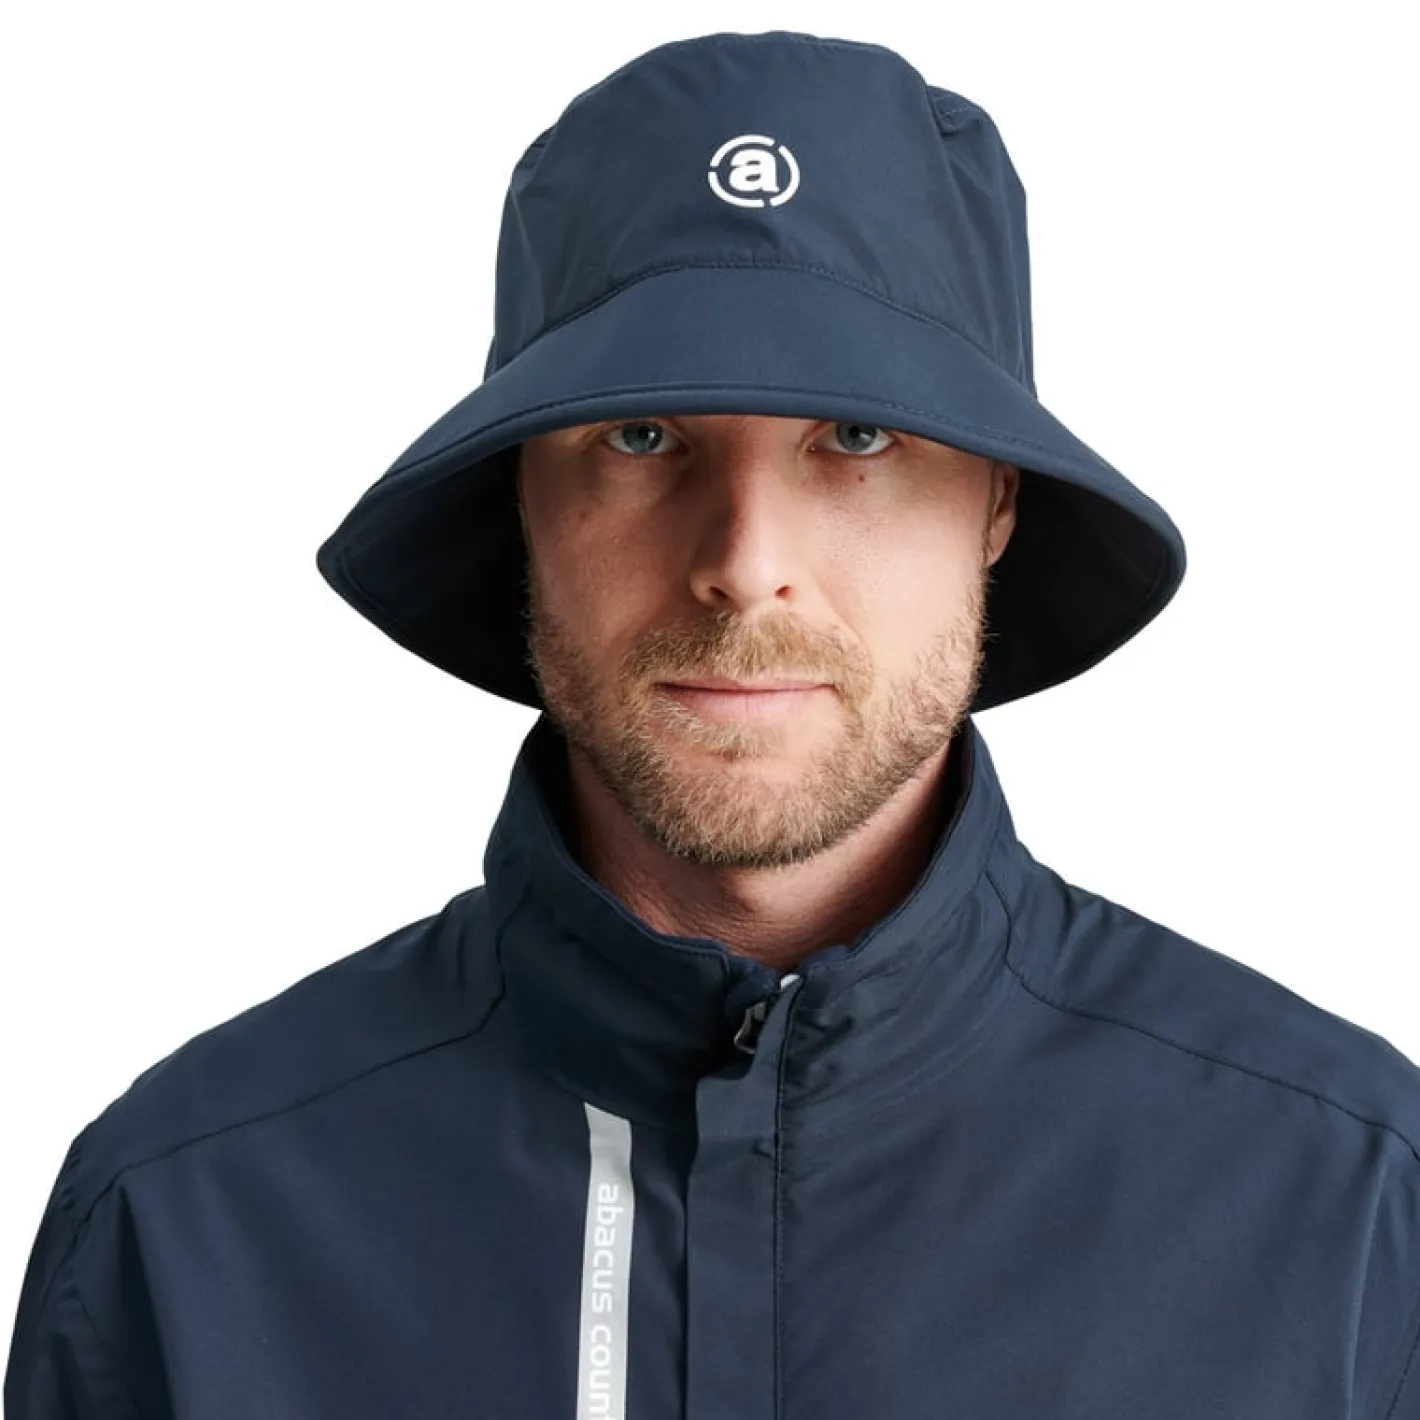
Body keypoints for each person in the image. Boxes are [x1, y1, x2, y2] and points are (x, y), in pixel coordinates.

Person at [6, 28, 1419, 1420]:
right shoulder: (187, 1223)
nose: (745, 563)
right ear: (521, 499)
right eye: (641, 437)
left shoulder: (1346, 1208)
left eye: (856, 438)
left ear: (997, 504)